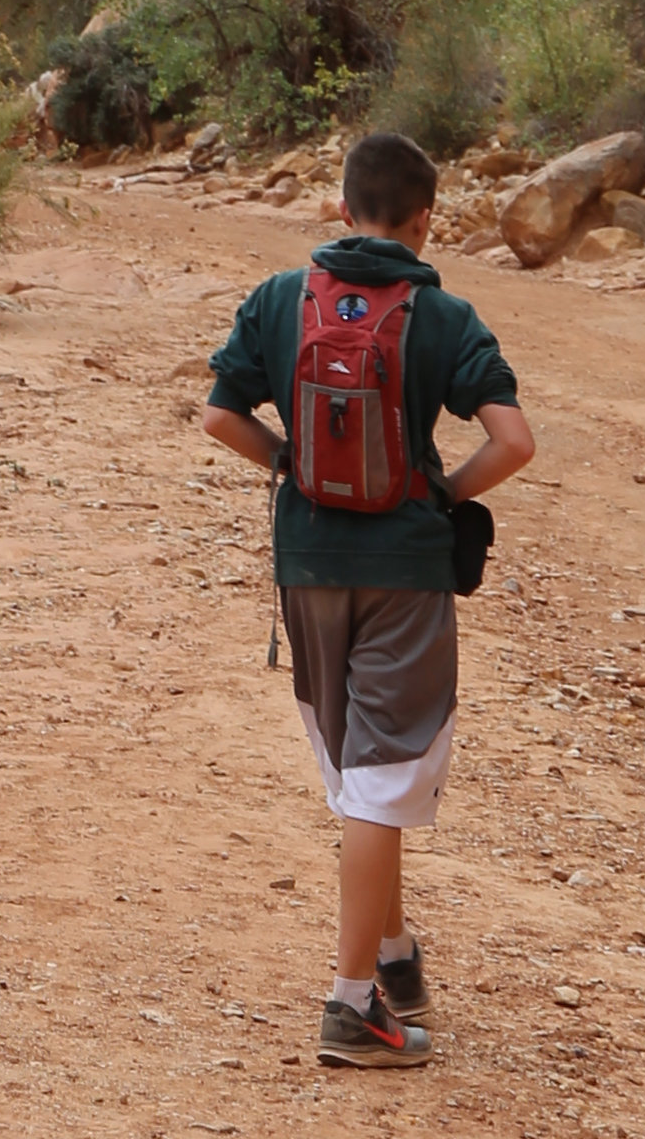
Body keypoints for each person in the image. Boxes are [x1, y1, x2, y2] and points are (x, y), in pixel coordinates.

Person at [200, 122, 537, 1067]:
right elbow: (514, 443)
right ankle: (353, 1011)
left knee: (359, 781)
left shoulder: (277, 300)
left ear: (340, 208)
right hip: (404, 572)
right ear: (425, 222)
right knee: (382, 786)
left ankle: (393, 958)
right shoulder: (447, 317)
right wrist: (438, 494)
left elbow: (220, 415)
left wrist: (292, 464)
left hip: (307, 566)